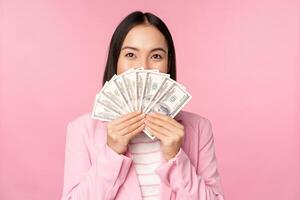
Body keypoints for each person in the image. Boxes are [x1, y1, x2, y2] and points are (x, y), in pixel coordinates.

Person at [61, 11, 225, 200]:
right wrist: (112, 153)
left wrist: (176, 158)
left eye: (156, 56)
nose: (144, 68)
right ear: (116, 61)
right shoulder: (81, 130)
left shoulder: (198, 129)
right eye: (130, 54)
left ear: (168, 63)